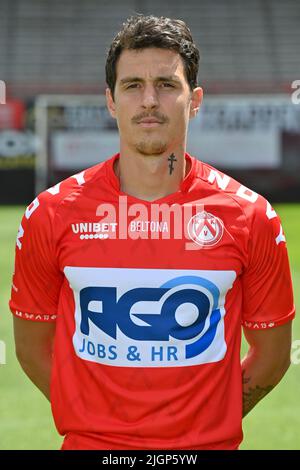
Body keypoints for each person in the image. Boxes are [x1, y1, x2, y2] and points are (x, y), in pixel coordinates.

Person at [9, 14, 295, 451]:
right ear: (110, 100)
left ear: (194, 99)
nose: (149, 100)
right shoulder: (51, 213)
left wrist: (207, 420)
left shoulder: (251, 216)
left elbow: (273, 357)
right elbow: (31, 349)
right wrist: (95, 422)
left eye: (166, 84)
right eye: (132, 86)